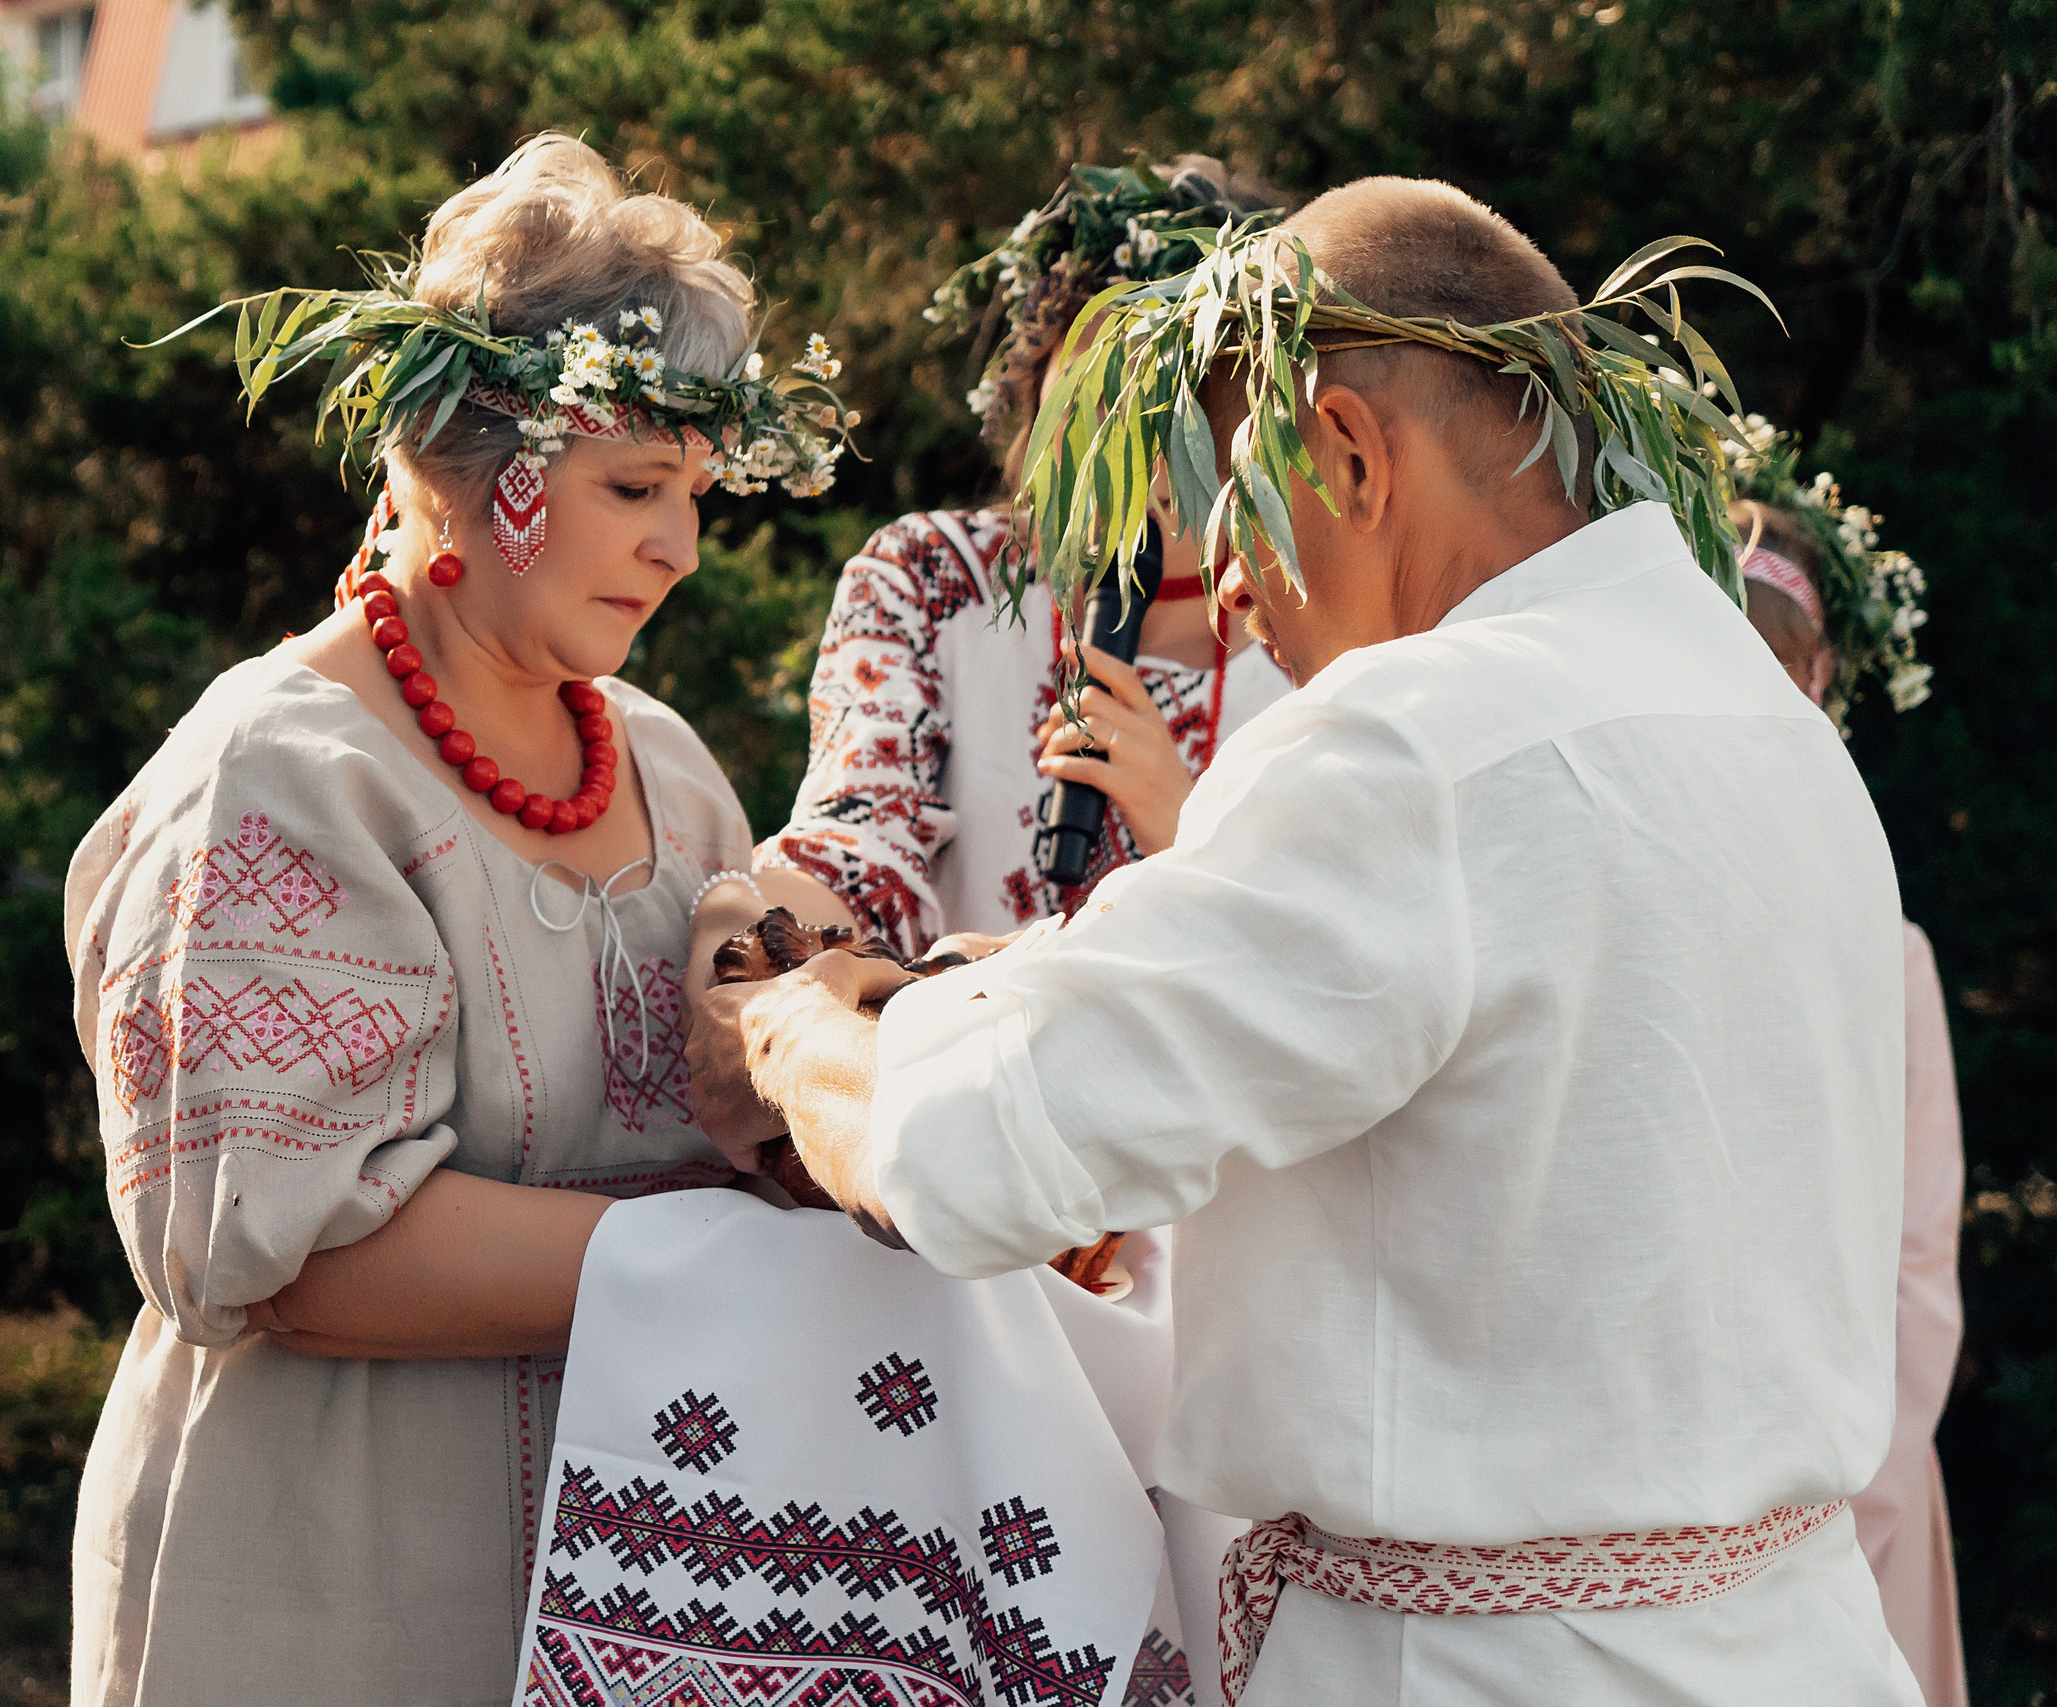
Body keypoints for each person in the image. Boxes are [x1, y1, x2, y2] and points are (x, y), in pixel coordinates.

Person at [689, 178, 1924, 1706]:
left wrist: (792, 1034)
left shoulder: (1413, 737)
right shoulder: (1765, 725)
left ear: (1345, 448)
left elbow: (972, 1146)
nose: (1238, 593)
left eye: (1231, 500)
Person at [60, 135, 847, 1707]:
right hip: (335, 1572)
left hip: (635, 1558)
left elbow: (736, 1103)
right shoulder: (280, 776)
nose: (679, 549)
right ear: (468, 472)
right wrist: (744, 1259)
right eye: (636, 489)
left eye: (694, 496)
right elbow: (304, 1260)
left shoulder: (668, 764)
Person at [750, 160, 1294, 956]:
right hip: (938, 1052)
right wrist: (756, 918)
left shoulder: (1323, 630)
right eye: (1084, 392)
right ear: (1034, 391)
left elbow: (1330, 957)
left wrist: (1185, 830)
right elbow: (857, 843)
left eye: (1156, 392)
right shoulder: (928, 580)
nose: (1113, 438)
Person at [1730, 436, 1965, 1707]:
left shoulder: (1889, 948)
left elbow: (1915, 1255)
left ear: (1820, 684)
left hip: (1852, 1469)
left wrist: (1858, 1490)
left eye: (1777, 672)